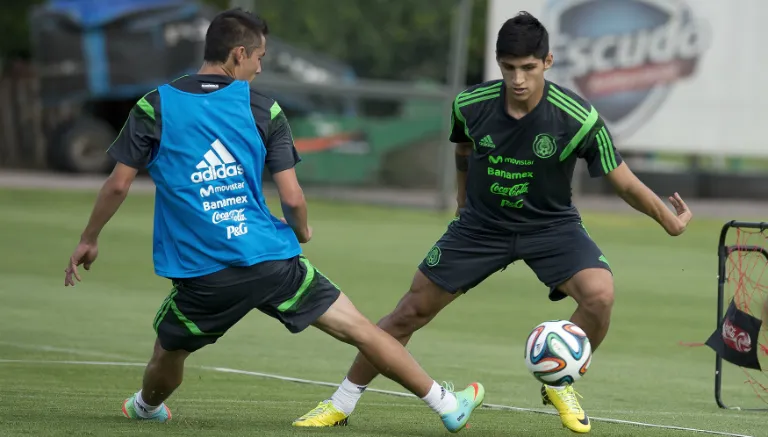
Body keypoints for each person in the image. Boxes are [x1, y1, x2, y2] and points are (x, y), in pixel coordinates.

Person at [63, 8, 484, 433]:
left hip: (204, 276)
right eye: (259, 57)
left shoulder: (154, 106)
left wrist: (89, 238)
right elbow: (292, 197)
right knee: (360, 329)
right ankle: (446, 404)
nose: (261, 68)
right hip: (270, 260)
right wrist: (301, 230)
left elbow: (117, 185)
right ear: (238, 54)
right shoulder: (263, 109)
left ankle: (147, 407)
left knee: (167, 355)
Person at [293, 11, 693, 434]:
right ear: (498, 64)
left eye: (528, 68)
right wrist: (463, 206)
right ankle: (340, 402)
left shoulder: (577, 118)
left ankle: (561, 380)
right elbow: (463, 152)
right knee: (408, 313)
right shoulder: (470, 105)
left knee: (600, 295)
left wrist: (668, 220)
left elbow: (624, 182)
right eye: (508, 68)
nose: (518, 79)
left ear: (548, 61)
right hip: (480, 227)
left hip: (551, 226)